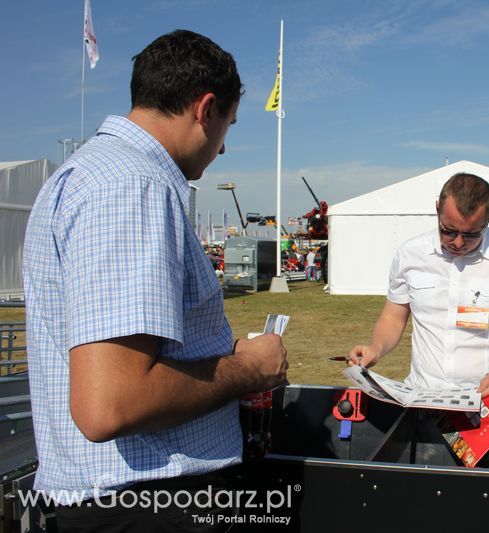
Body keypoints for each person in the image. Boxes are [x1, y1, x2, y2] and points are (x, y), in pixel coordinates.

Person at [23, 30, 288, 531]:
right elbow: (112, 403)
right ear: (205, 109)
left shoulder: (90, 174)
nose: (223, 148)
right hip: (151, 503)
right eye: (227, 126)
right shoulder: (133, 184)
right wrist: (247, 368)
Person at [349, 173, 489, 400]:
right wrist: (376, 348)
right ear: (437, 209)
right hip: (423, 395)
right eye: (448, 230)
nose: (458, 242)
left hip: (486, 399)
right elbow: (393, 317)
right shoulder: (410, 254)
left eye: (471, 234)